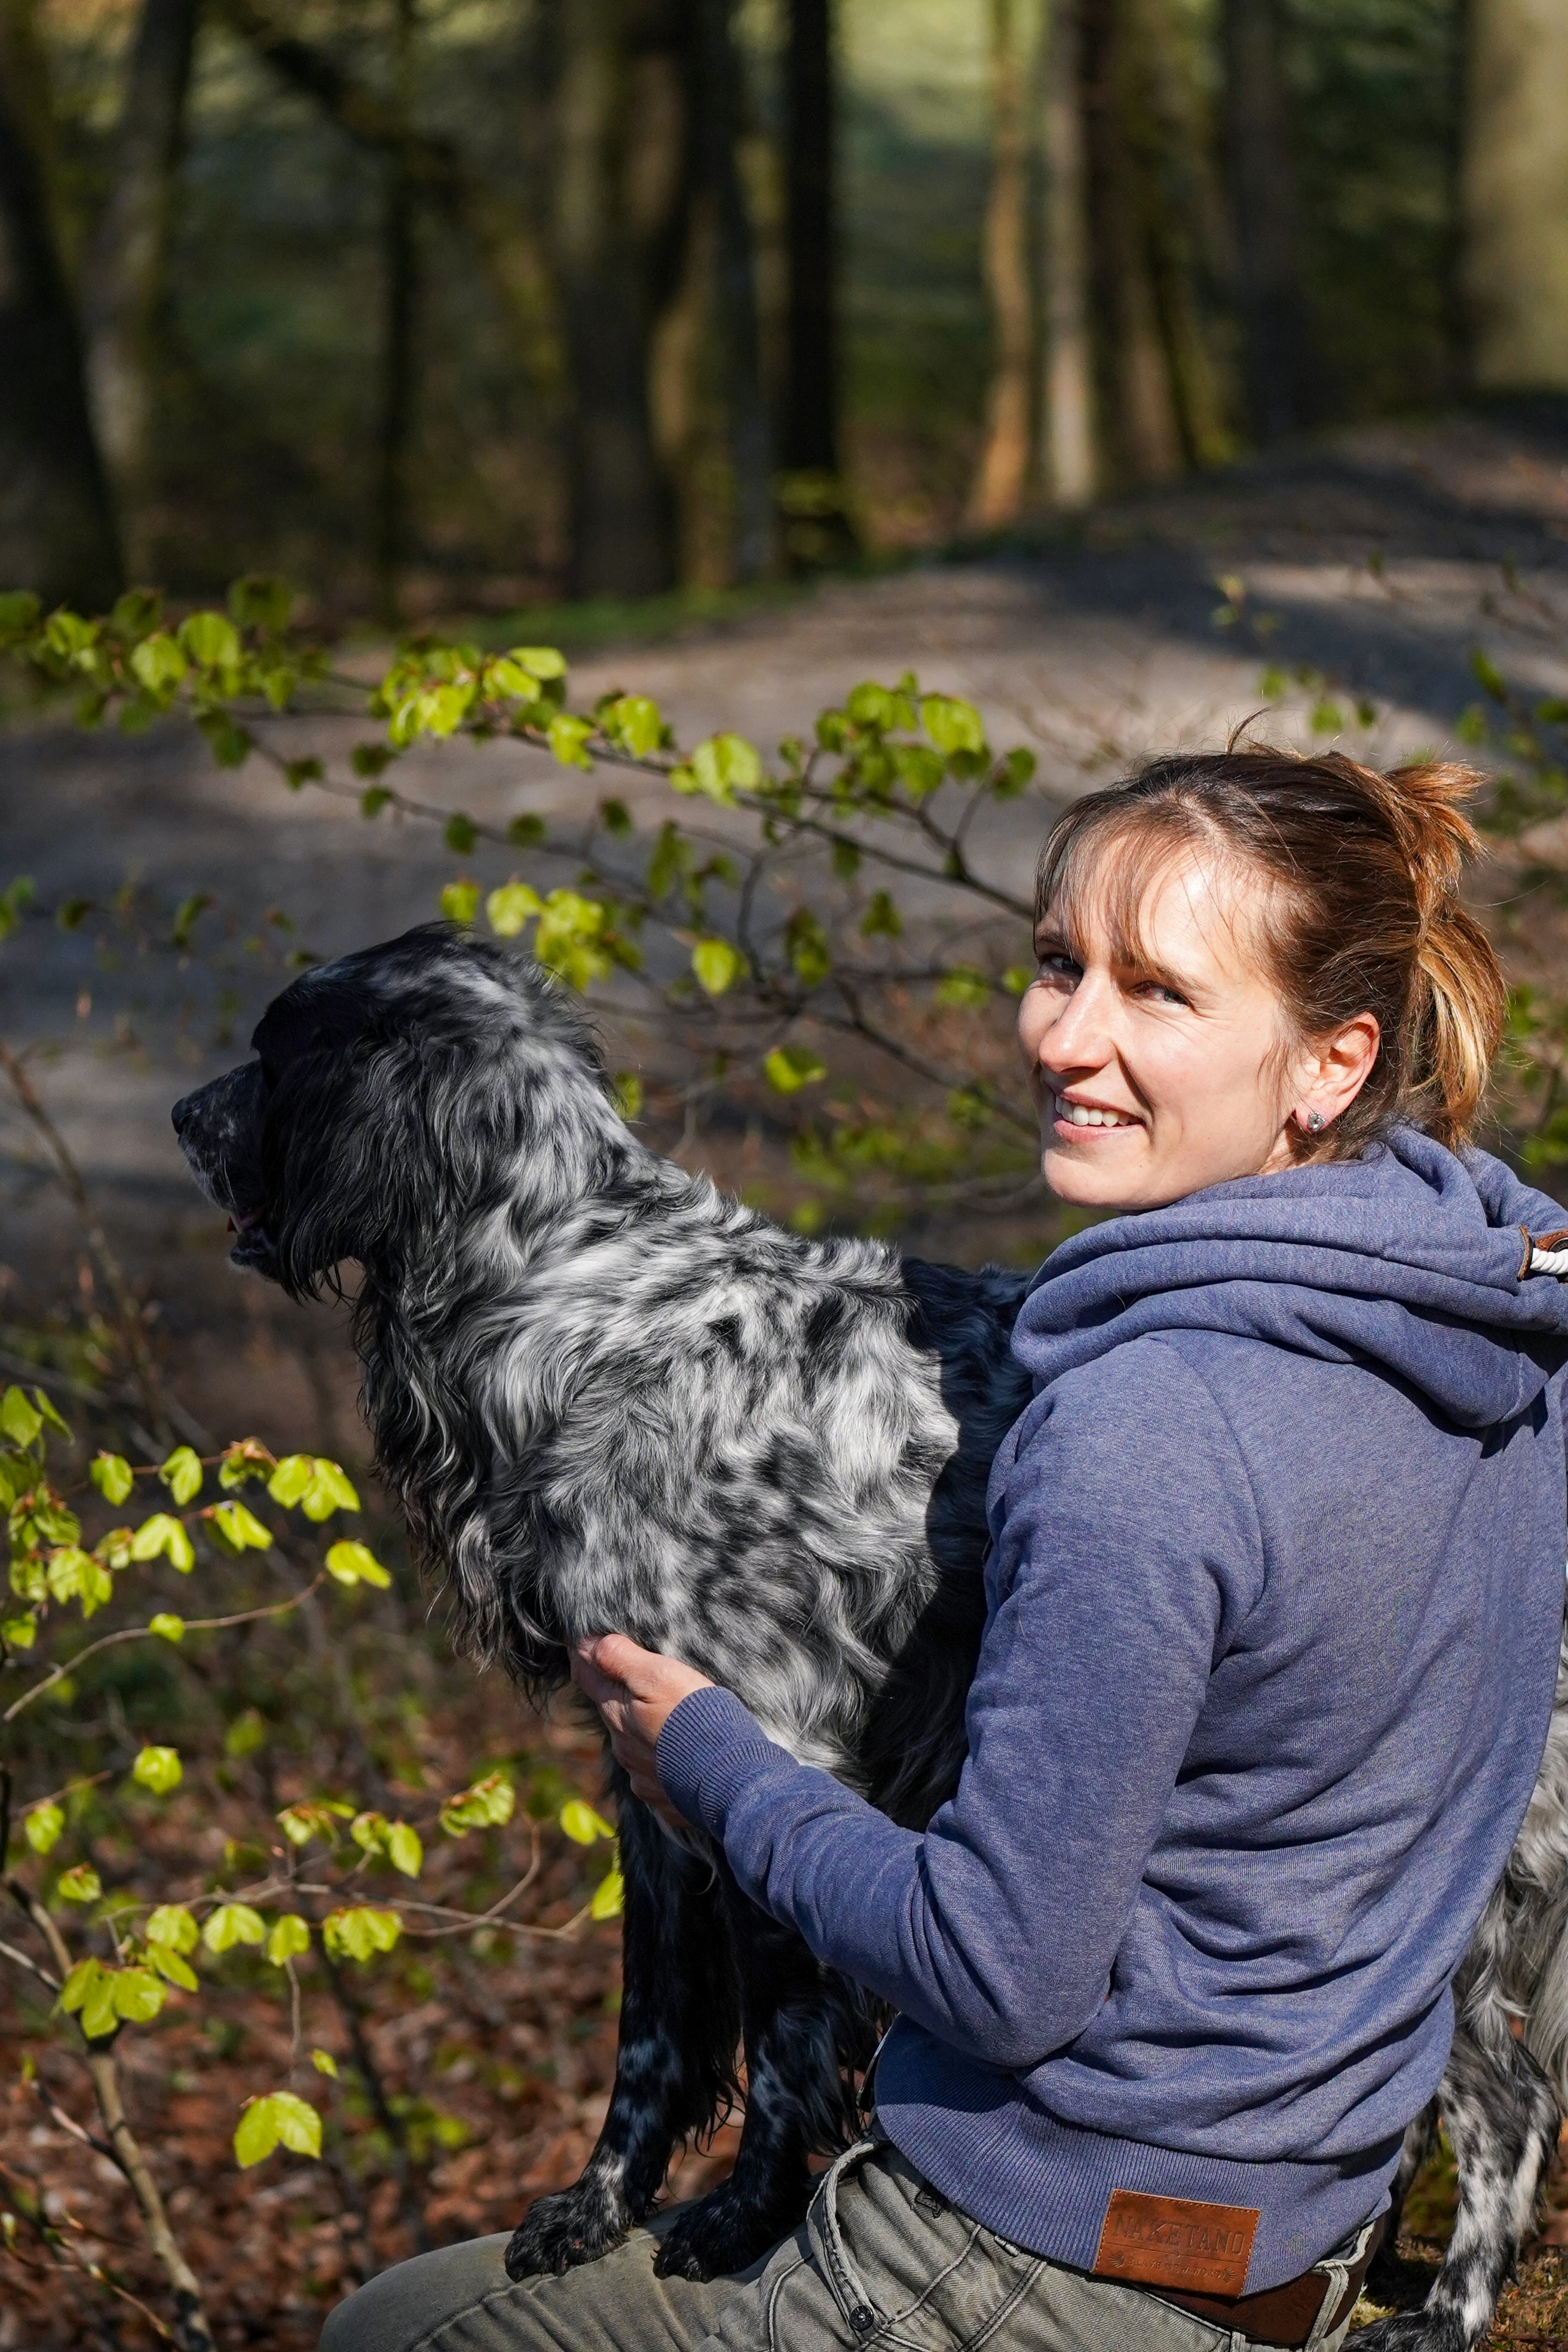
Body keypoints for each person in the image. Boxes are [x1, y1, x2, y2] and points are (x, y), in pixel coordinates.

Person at [323, 747, 1568, 2352]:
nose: (1067, 1036)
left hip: (1048, 2265)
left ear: (1333, 1059)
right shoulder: (1494, 1315)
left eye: (1159, 994)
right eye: (1060, 964)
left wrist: (712, 1759)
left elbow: (998, 1976)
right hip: (1294, 2232)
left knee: (400, 2329)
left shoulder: (1150, 1422)